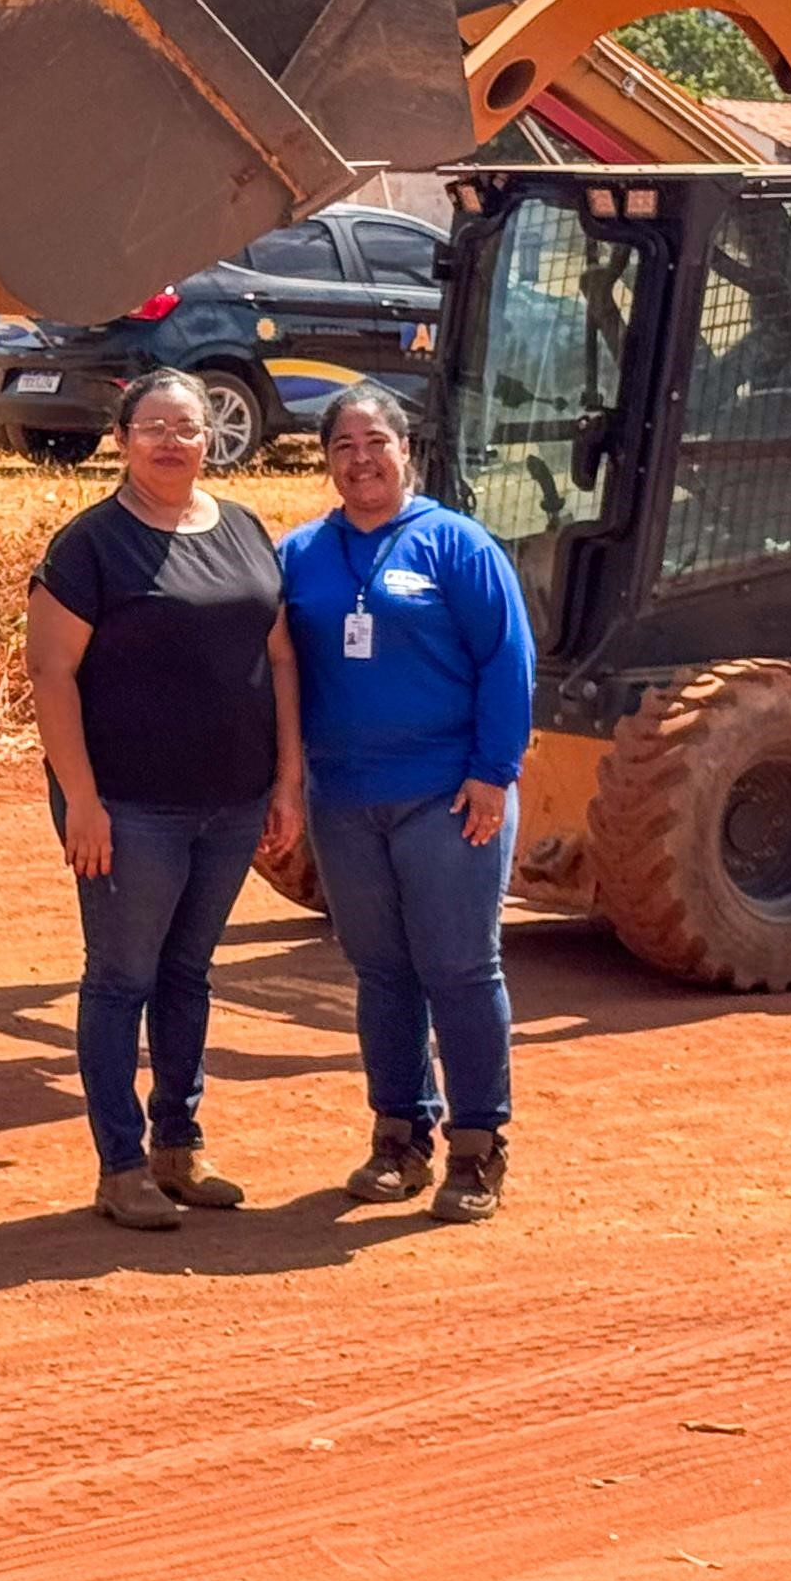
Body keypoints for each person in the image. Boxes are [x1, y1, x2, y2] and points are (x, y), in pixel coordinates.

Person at [26, 369, 306, 1231]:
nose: (173, 441)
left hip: (231, 801)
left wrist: (287, 778)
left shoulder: (245, 528)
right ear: (121, 439)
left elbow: (283, 658)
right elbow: (50, 671)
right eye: (153, 426)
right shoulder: (91, 546)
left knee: (188, 975)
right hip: (129, 808)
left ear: (210, 436)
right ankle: (119, 1165)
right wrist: (83, 800)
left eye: (188, 426)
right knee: (121, 979)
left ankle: (178, 1146)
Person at [279, 380, 536, 1224]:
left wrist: (493, 773)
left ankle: (478, 1147)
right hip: (346, 800)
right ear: (326, 463)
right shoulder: (302, 555)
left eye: (375, 443)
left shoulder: (456, 546)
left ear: (406, 451)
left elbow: (507, 660)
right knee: (383, 973)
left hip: (449, 798)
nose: (361, 461)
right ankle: (399, 1137)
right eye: (343, 448)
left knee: (460, 970)